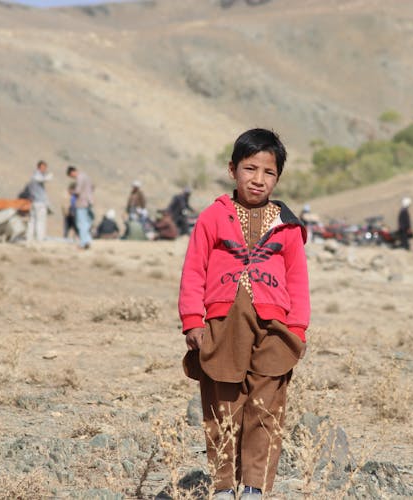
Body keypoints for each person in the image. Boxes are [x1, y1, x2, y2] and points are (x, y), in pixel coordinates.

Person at [179, 128, 309, 498]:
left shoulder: (288, 225)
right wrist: (192, 320)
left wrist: (297, 328)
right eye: (250, 169)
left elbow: (298, 280)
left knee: (265, 409)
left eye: (268, 172)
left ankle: (253, 488)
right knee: (223, 406)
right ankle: (222, 488)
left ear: (278, 177)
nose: (258, 179)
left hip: (275, 328)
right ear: (232, 169)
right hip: (222, 326)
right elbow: (194, 269)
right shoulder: (212, 217)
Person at [66, 165, 94, 249]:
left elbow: (78, 191)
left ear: (72, 172)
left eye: (71, 175)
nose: (72, 177)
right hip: (88, 201)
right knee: (86, 222)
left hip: (81, 202)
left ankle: (83, 243)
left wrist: (71, 192)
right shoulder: (86, 176)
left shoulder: (79, 177)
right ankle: (87, 240)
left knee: (81, 223)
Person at [26, 160, 53, 242]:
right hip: (39, 202)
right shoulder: (37, 176)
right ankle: (39, 238)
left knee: (33, 221)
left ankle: (30, 238)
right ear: (39, 167)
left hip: (35, 202)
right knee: (40, 221)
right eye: (43, 167)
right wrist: (49, 176)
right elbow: (43, 179)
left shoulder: (35, 176)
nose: (44, 169)